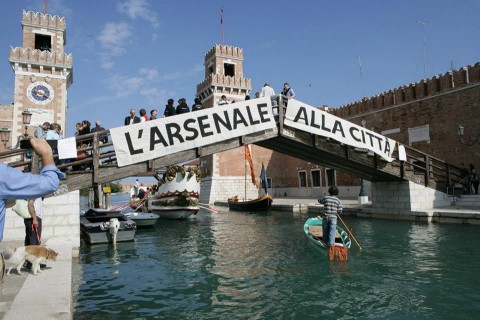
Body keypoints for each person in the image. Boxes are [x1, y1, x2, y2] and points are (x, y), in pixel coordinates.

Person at [0, 137, 63, 242]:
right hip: (34, 217)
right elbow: (50, 183)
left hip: (31, 217)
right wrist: (46, 154)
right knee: (33, 242)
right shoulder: (3, 174)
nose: (2, 143)